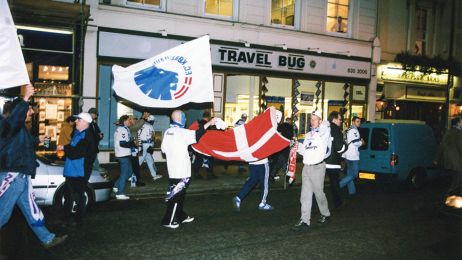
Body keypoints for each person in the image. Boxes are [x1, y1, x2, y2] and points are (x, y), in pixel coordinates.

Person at [0, 84, 67, 248]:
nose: (32, 111)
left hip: (21, 176)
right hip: (14, 175)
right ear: (19, 111)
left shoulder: (18, 129)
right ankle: (47, 238)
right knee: (3, 214)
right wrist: (25, 98)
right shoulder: (9, 125)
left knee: (31, 211)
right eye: (29, 109)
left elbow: (27, 144)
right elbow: (15, 120)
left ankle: (47, 238)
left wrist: (40, 140)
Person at [160, 110, 217, 229]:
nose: (186, 119)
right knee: (176, 196)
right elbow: (198, 134)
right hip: (181, 171)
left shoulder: (168, 132)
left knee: (180, 194)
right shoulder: (182, 132)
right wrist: (210, 122)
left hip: (173, 170)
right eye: (184, 117)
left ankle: (181, 216)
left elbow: (164, 150)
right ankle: (167, 220)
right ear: (180, 119)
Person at [292, 110, 332, 231]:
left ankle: (325, 214)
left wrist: (320, 122)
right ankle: (305, 220)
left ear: (320, 121)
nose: (312, 121)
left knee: (319, 194)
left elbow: (327, 125)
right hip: (307, 168)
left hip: (318, 167)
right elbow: (304, 151)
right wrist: (296, 145)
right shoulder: (309, 135)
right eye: (311, 119)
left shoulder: (324, 133)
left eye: (315, 119)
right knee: (305, 196)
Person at [57, 112, 96, 224]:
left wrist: (64, 147)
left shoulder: (88, 136)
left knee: (78, 197)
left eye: (78, 120)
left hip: (79, 172)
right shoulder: (77, 132)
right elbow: (73, 149)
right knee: (68, 196)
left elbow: (76, 152)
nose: (76, 121)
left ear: (85, 122)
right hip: (71, 170)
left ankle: (78, 219)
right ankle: (66, 217)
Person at [435, 116, 462, 197]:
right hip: (457, 161)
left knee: (455, 178)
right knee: (458, 179)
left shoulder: (449, 132)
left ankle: (451, 195)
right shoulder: (459, 133)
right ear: (458, 123)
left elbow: (441, 145)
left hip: (449, 161)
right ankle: (450, 195)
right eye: (461, 121)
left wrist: (436, 158)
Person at [325, 111, 346, 209]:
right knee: (334, 184)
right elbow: (339, 147)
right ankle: (338, 204)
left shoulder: (325, 129)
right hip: (333, 163)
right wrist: (345, 146)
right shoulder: (337, 130)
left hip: (323, 161)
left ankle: (314, 204)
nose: (341, 121)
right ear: (334, 119)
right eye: (339, 119)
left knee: (318, 185)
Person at [113, 115, 136, 200]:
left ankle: (116, 186)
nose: (130, 121)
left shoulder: (124, 129)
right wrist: (132, 143)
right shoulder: (122, 130)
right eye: (129, 120)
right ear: (125, 121)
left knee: (129, 173)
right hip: (123, 155)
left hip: (124, 154)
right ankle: (120, 193)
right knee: (124, 174)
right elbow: (122, 143)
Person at [340, 116, 364, 195]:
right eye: (357, 121)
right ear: (353, 122)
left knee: (350, 173)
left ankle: (352, 191)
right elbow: (356, 143)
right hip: (353, 155)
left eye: (359, 121)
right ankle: (338, 185)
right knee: (354, 174)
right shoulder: (354, 130)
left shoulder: (348, 129)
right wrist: (362, 143)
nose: (359, 123)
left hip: (346, 154)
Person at [190, 111, 217, 180]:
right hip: (206, 145)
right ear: (208, 118)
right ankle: (209, 173)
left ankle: (196, 173)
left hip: (198, 145)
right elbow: (210, 135)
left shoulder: (198, 123)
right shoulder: (208, 125)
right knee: (210, 159)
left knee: (198, 159)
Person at [269, 116, 294, 182]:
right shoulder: (289, 127)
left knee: (279, 161)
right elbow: (291, 136)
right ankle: (275, 174)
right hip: (286, 146)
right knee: (283, 161)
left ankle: (274, 174)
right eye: (291, 121)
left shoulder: (281, 125)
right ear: (289, 121)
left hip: (280, 146)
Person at [138, 115, 162, 181]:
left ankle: (154, 175)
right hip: (146, 144)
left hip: (142, 144)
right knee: (139, 161)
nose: (153, 122)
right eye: (153, 121)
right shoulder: (149, 126)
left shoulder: (142, 125)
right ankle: (131, 175)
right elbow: (150, 137)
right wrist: (151, 146)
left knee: (150, 160)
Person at [128, 113, 149, 186]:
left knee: (134, 166)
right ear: (130, 120)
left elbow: (137, 124)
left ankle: (135, 181)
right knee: (135, 167)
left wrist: (142, 118)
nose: (135, 121)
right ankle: (136, 181)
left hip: (134, 150)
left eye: (136, 119)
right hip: (132, 150)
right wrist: (143, 118)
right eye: (134, 119)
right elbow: (138, 126)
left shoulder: (131, 127)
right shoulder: (130, 127)